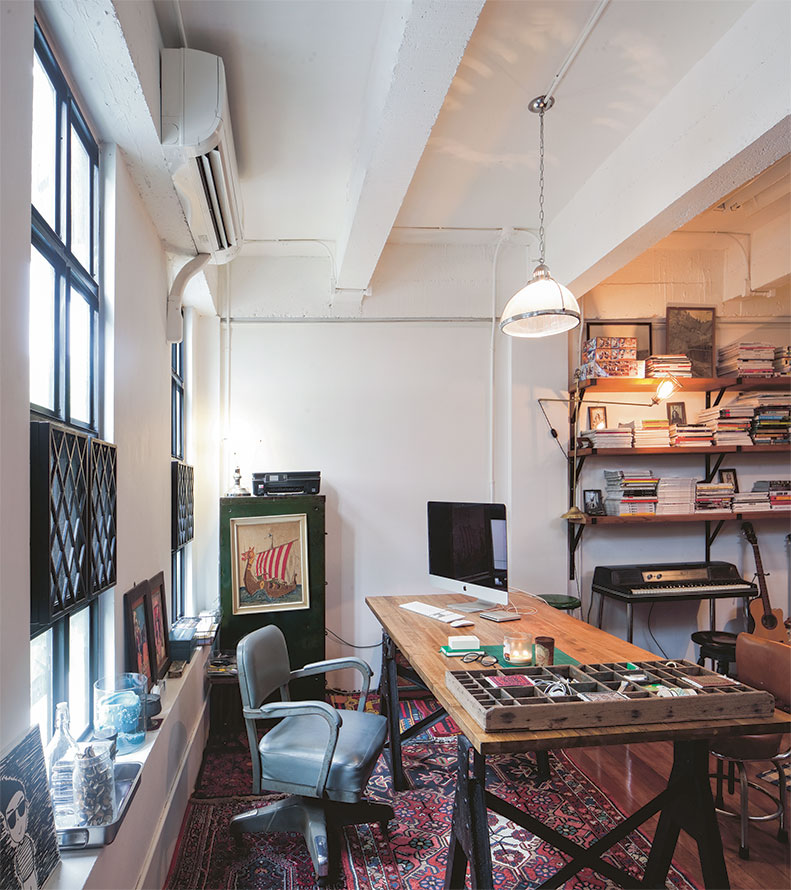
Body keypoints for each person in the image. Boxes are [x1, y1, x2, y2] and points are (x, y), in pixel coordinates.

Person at [1, 776, 39, 889]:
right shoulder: (9, 859)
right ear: (5, 825)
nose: (19, 819)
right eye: (12, 818)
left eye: (21, 808)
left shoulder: (28, 842)